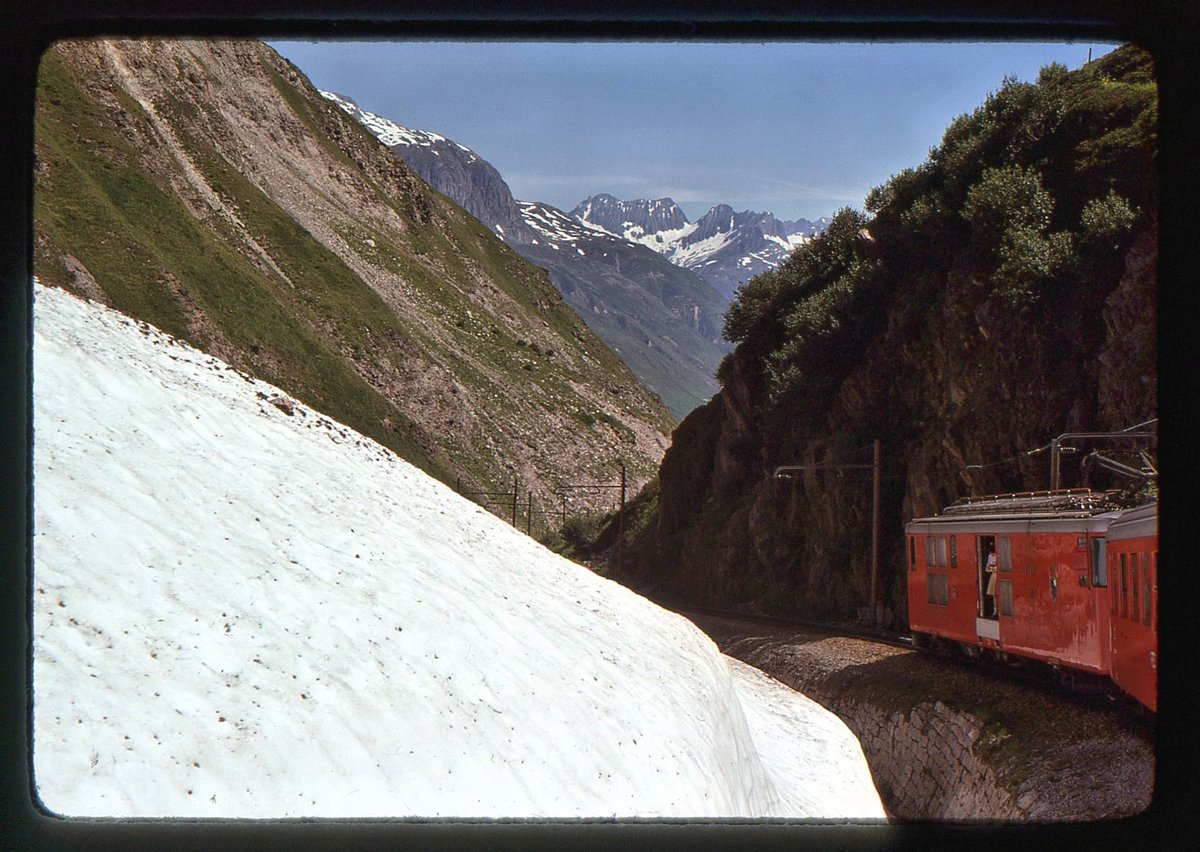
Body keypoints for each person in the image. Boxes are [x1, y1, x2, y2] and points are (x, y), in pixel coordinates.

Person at [985, 550, 998, 617]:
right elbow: (987, 568)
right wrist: (995, 567)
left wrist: (993, 567)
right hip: (994, 576)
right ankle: (995, 611)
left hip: (998, 575)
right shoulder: (990, 556)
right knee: (994, 594)